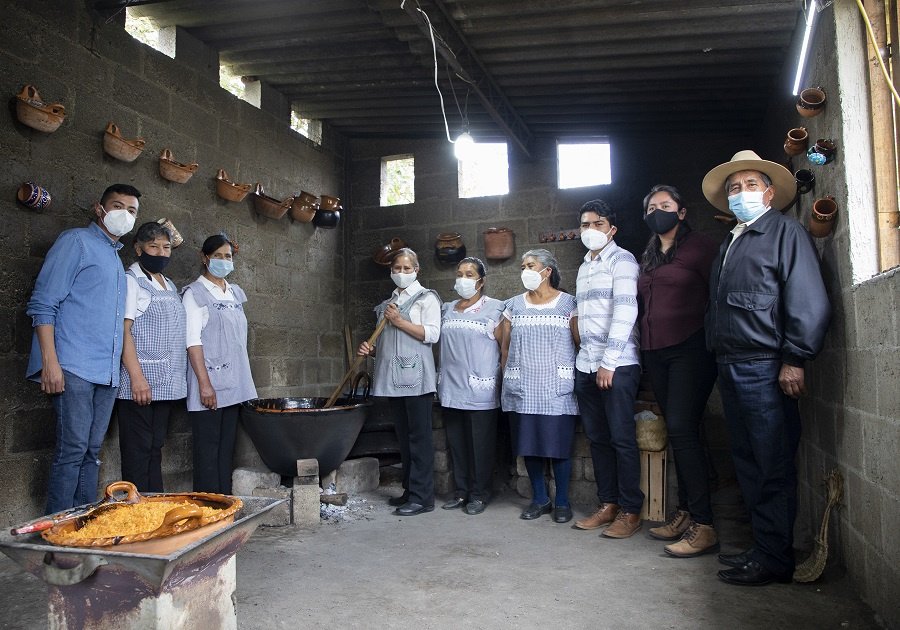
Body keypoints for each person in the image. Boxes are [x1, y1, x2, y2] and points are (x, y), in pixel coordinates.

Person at [701, 150, 831, 586]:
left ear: (770, 193)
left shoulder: (785, 232)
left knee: (772, 463)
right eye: (734, 188)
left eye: (750, 185)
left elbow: (808, 299)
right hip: (732, 364)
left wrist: (795, 359)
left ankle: (774, 560)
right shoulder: (733, 239)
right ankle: (764, 549)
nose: (741, 194)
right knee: (749, 463)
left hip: (766, 366)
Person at [26, 184, 141, 513]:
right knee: (72, 450)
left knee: (91, 451)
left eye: (131, 210)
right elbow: (43, 304)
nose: (124, 214)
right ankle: (59, 533)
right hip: (73, 365)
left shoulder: (115, 258)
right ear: (99, 208)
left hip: (105, 373)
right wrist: (50, 363)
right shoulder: (76, 242)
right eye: (117, 206)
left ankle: (85, 527)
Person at [636, 185, 720, 556]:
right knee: (681, 430)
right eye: (652, 207)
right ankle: (687, 511)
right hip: (657, 351)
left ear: (681, 212)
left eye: (666, 205)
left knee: (684, 428)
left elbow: (719, 292)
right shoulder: (651, 254)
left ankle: (705, 524)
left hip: (691, 347)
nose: (659, 211)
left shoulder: (700, 246)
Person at [570, 200, 643, 538]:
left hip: (616, 364)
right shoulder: (584, 267)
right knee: (598, 439)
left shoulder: (623, 260)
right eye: (585, 224)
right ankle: (608, 504)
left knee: (621, 438)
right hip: (586, 363)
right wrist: (586, 362)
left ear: (612, 229)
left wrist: (608, 363)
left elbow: (626, 312)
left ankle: (630, 511)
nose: (590, 230)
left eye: (597, 224)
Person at [358, 248, 441, 516]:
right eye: (397, 268)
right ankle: (409, 491)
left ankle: (423, 497)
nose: (401, 273)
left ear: (417, 270)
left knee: (419, 439)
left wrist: (400, 321)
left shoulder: (426, 299)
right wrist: (371, 349)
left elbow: (432, 334)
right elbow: (386, 340)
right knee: (404, 439)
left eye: (407, 268)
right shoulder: (387, 304)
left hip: (416, 378)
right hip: (394, 378)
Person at [498, 249, 579, 524]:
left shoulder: (569, 304)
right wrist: (505, 376)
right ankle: (540, 498)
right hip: (523, 386)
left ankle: (563, 502)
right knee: (530, 445)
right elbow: (505, 347)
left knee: (558, 446)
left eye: (531, 266)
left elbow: (579, 342)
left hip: (556, 386)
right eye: (523, 266)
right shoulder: (513, 306)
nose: (525, 271)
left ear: (548, 271)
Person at [182, 234, 257, 494]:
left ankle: (223, 505)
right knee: (208, 451)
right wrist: (204, 385)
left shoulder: (234, 292)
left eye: (228, 256)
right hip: (210, 383)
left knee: (226, 451)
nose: (223, 261)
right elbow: (192, 341)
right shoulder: (195, 294)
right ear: (205, 258)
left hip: (233, 383)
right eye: (217, 256)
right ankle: (206, 509)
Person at [117, 221, 187, 493]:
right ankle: (135, 518)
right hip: (140, 382)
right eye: (153, 246)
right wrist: (136, 378)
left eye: (166, 247)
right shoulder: (130, 280)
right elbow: (124, 332)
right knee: (138, 453)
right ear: (138, 248)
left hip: (166, 383)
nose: (160, 252)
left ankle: (153, 511)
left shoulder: (168, 283)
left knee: (155, 448)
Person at [438, 257, 504, 516]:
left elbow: (504, 348)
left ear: (481, 281)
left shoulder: (495, 309)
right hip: (452, 387)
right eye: (459, 273)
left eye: (469, 274)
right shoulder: (447, 308)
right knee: (457, 442)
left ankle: (479, 493)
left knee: (481, 444)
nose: (463, 278)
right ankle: (462, 491)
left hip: (481, 387)